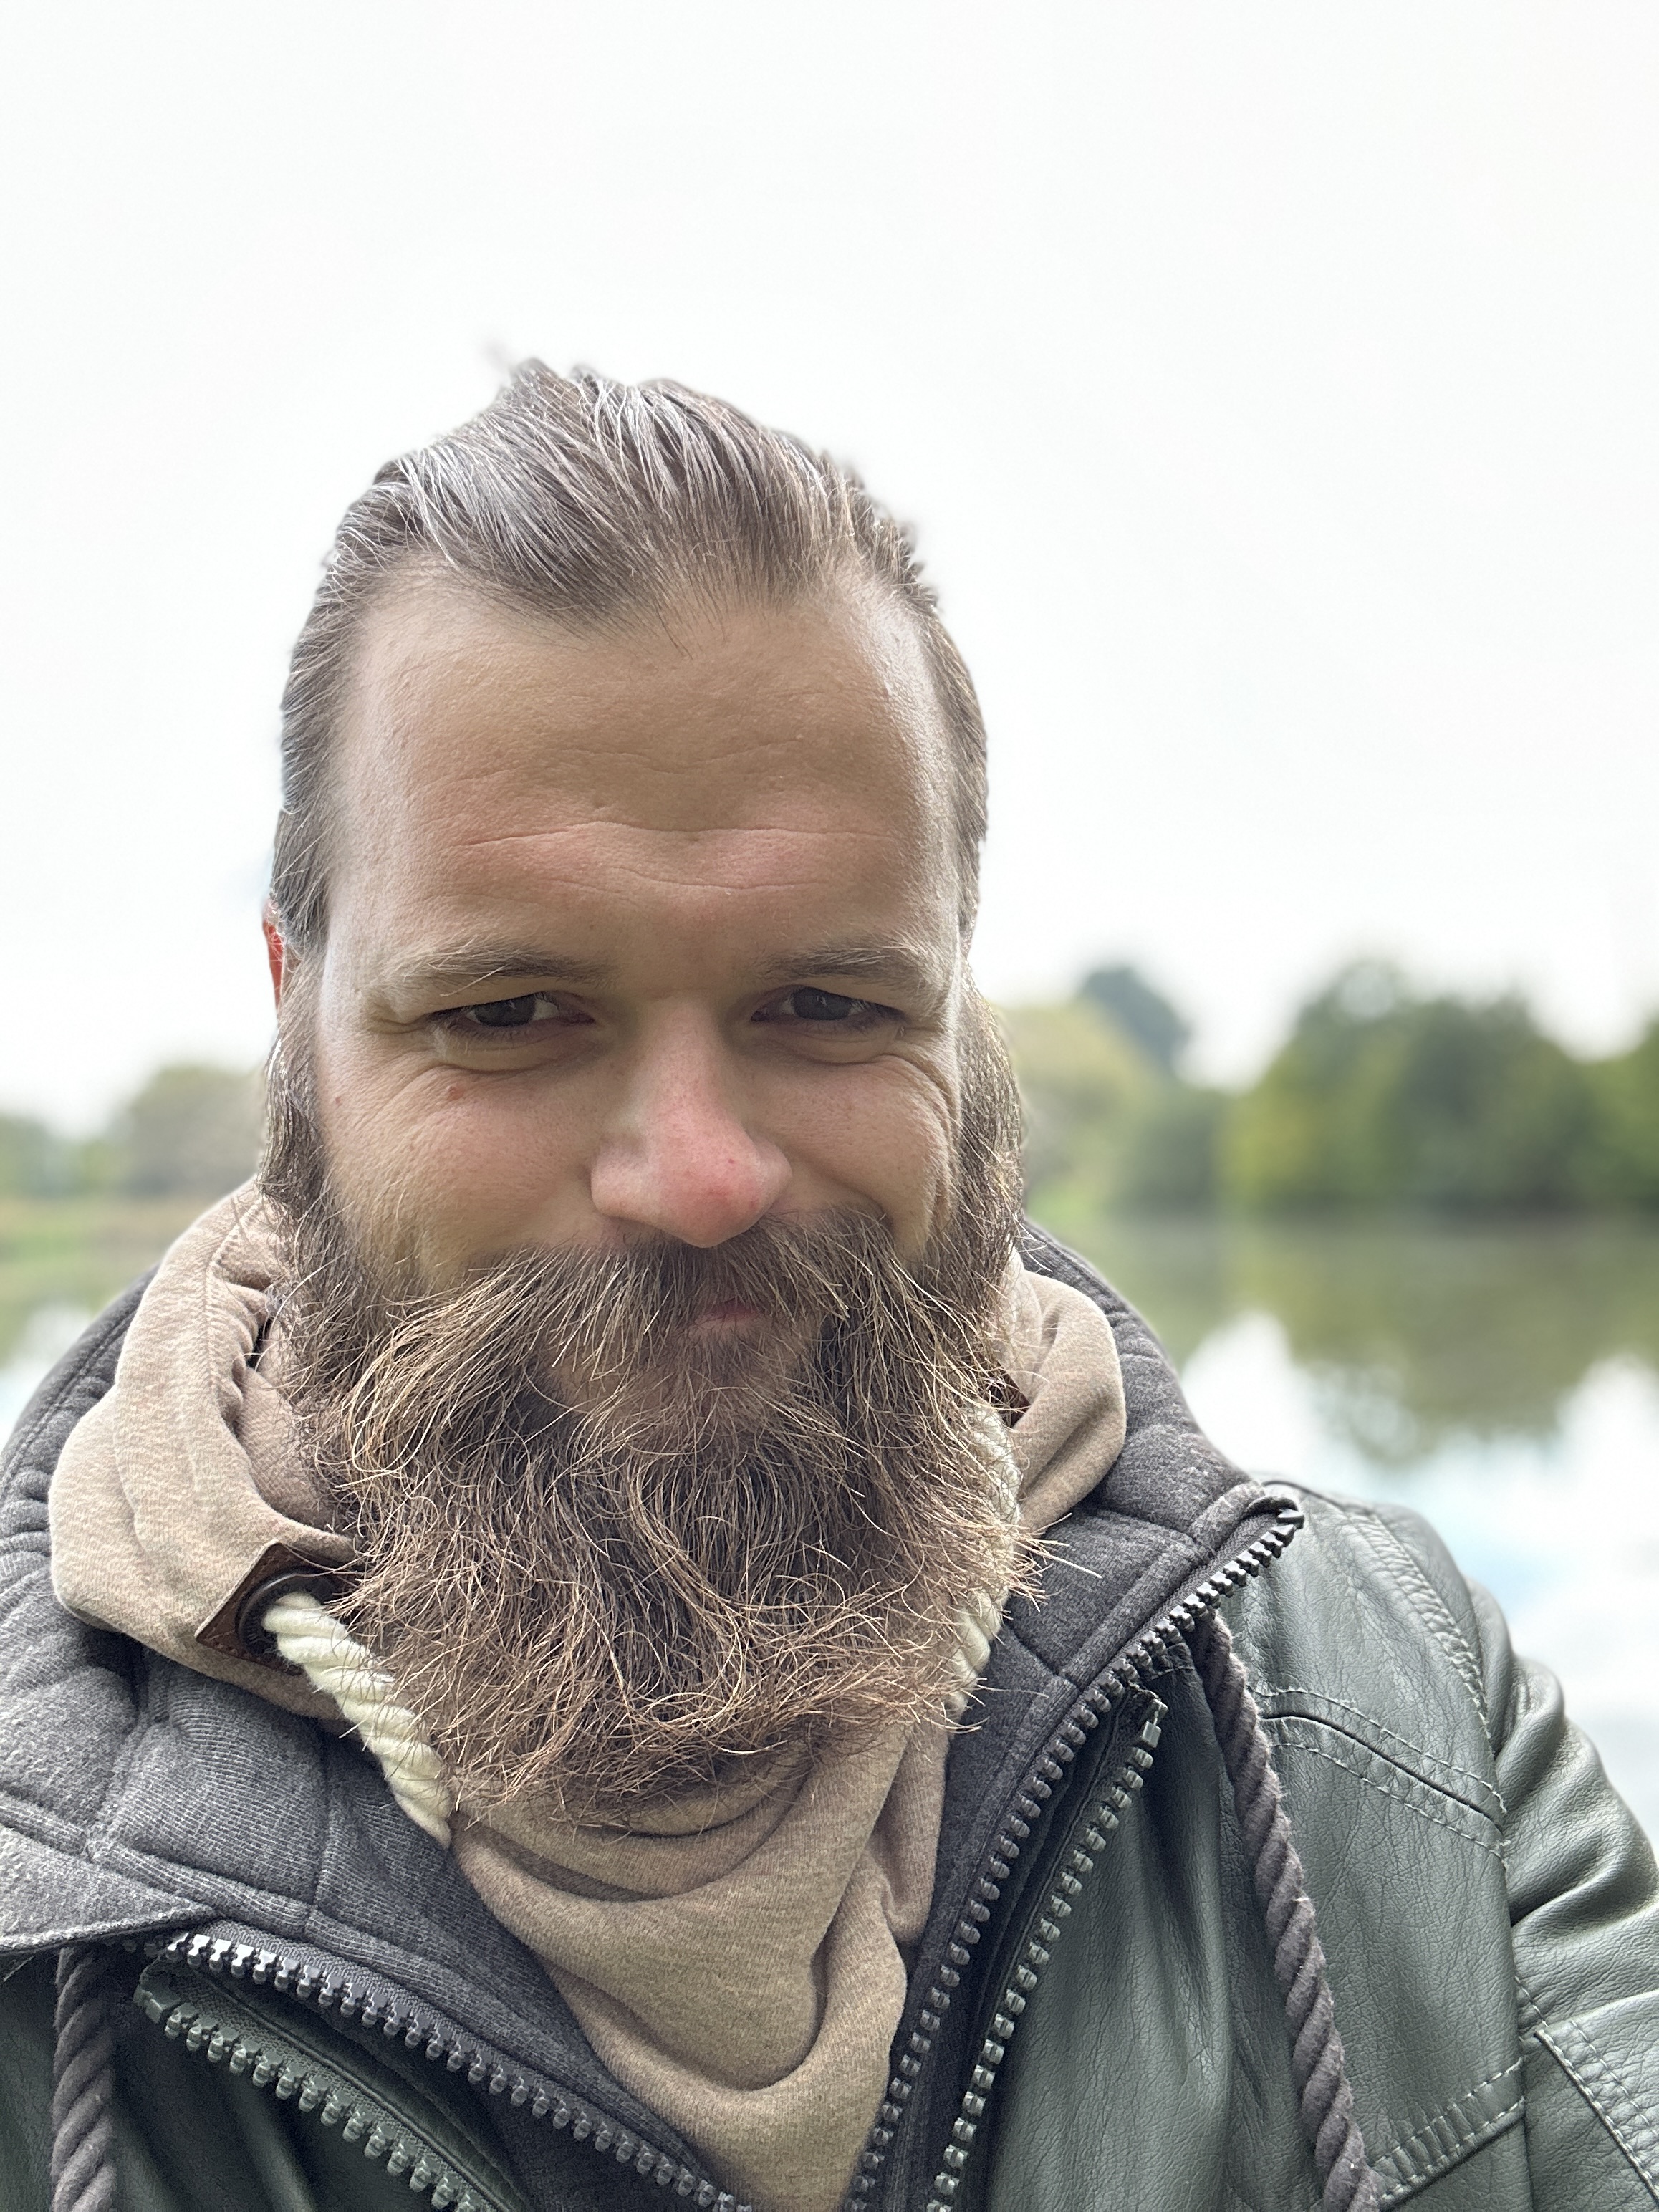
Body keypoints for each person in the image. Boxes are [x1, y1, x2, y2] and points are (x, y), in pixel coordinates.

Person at [1, 368, 1655, 2212]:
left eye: (826, 1006)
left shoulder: (1396, 1713)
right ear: (295, 1015)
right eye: (508, 1013)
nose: (699, 1175)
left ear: (959, 1010)